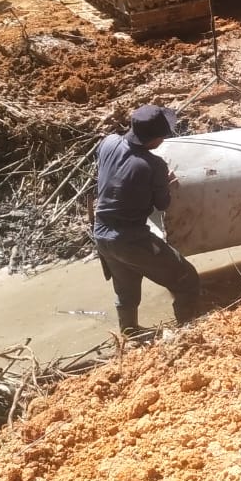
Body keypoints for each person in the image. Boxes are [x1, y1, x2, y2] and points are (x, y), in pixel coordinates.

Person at [92, 104, 202, 334]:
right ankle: (187, 330)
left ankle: (129, 332)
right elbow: (162, 205)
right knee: (186, 278)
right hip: (131, 238)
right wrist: (164, 183)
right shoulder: (154, 165)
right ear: (156, 140)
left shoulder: (108, 142)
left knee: (126, 289)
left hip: (102, 235)